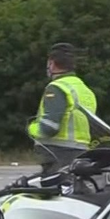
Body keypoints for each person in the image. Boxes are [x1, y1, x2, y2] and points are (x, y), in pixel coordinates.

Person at [28, 42, 98, 175]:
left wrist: (31, 128)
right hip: (81, 153)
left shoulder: (57, 88)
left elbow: (49, 128)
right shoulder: (85, 90)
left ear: (51, 63)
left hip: (57, 154)